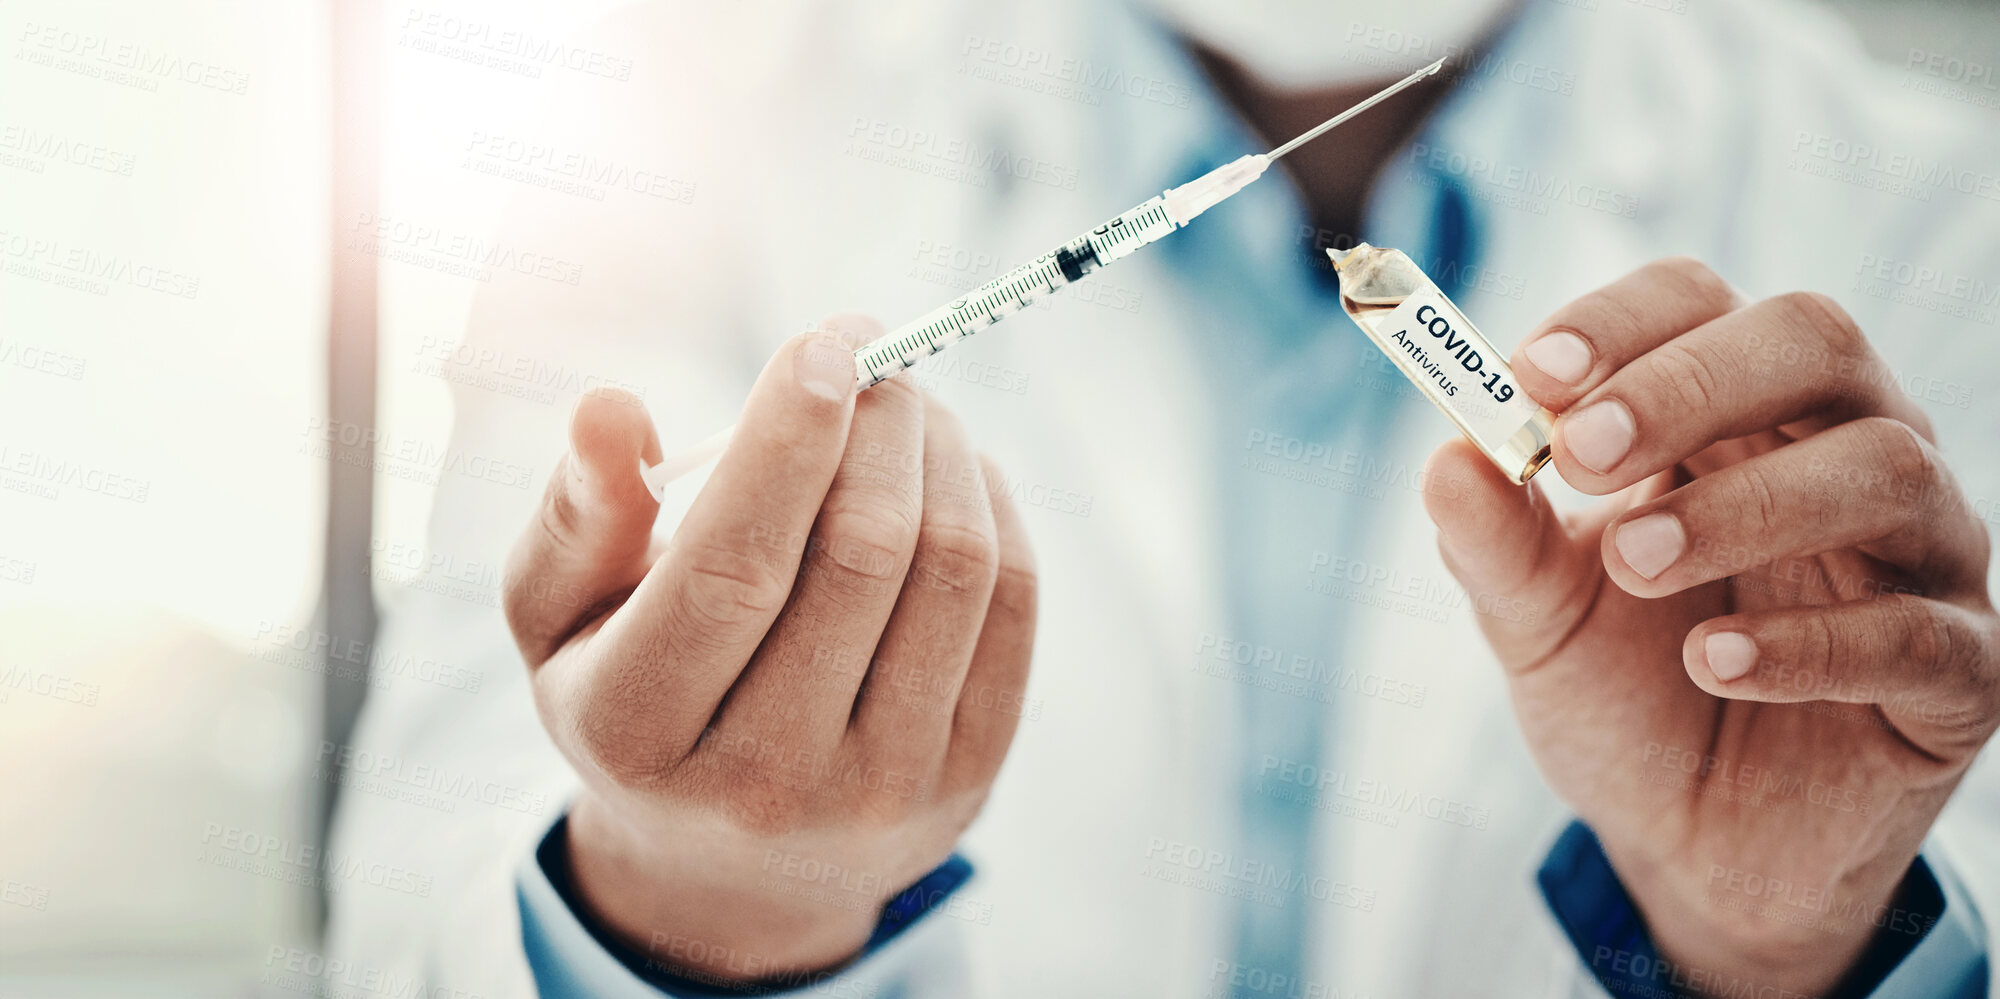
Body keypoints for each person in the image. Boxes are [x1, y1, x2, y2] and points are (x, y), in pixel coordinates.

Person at [327, 0, 2000, 995]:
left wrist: (1789, 951)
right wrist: (697, 905)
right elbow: (423, 918)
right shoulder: (679, 117)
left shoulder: (1935, 209)